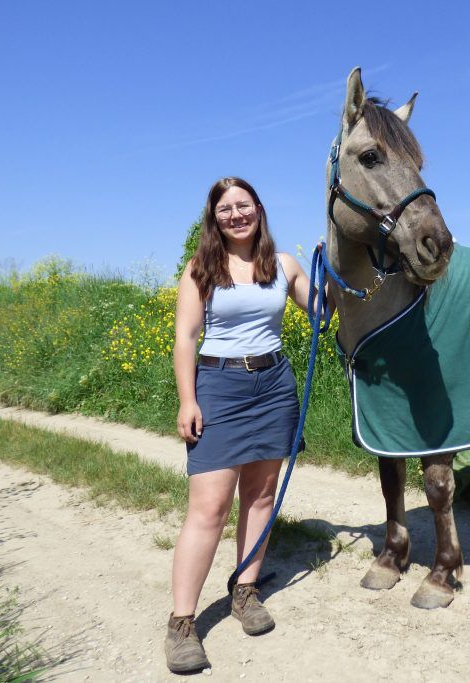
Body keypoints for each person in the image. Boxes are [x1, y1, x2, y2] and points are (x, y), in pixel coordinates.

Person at [165, 177, 313, 674]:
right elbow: (186, 338)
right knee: (209, 507)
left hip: (273, 385)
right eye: (225, 209)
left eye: (243, 205)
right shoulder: (201, 268)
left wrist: (334, 265)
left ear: (258, 209)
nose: (235, 215)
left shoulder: (283, 266)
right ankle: (182, 623)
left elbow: (323, 310)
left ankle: (245, 593)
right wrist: (188, 400)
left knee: (262, 495)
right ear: (215, 218)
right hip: (219, 386)